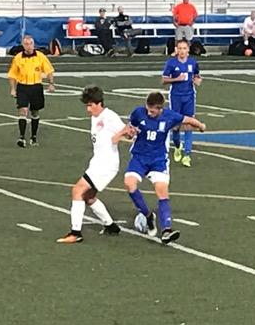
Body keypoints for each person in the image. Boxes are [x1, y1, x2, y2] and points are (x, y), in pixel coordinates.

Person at [119, 91, 205, 244]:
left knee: (162, 191)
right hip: (139, 157)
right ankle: (147, 215)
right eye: (148, 109)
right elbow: (130, 127)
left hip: (158, 160)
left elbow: (187, 119)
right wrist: (129, 133)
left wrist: (200, 126)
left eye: (153, 111)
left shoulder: (170, 116)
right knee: (129, 184)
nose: (150, 113)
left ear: (160, 109)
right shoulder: (139, 113)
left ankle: (167, 229)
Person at [57, 86, 125, 244]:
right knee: (88, 196)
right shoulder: (95, 117)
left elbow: (127, 131)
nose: (88, 109)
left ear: (98, 103)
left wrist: (123, 134)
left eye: (90, 105)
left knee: (77, 190)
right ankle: (111, 226)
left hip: (106, 164)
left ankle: (75, 233)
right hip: (98, 162)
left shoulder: (110, 116)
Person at [8, 35, 55, 147]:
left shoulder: (40, 56)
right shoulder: (18, 58)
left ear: (34, 44)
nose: (29, 46)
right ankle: (22, 137)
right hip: (23, 87)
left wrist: (51, 83)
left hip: (36, 87)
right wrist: (13, 89)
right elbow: (12, 75)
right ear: (23, 45)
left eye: (30, 44)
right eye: (26, 44)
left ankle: (33, 137)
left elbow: (49, 70)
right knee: (23, 110)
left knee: (35, 112)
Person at [162, 39, 201, 167]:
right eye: (180, 48)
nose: (182, 51)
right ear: (176, 50)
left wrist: (197, 80)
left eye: (185, 48)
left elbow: (197, 76)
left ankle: (187, 154)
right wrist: (176, 79)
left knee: (189, 124)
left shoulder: (193, 63)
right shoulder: (171, 63)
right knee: (176, 125)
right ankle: (178, 145)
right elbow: (164, 80)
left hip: (189, 96)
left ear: (188, 50)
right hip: (176, 97)